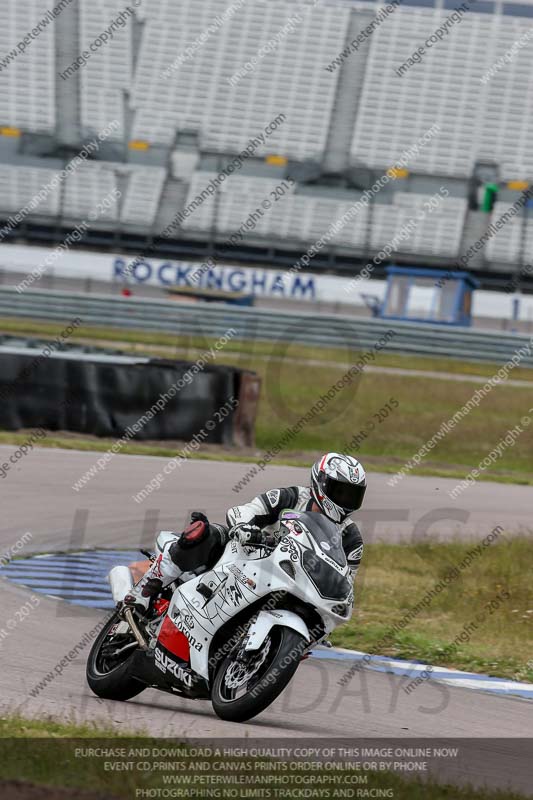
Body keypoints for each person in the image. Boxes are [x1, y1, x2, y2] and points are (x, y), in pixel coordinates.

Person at [124, 452, 366, 614]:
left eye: (352, 495)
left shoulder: (351, 539)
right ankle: (145, 590)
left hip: (289, 583)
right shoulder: (290, 497)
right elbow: (246, 510)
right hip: (245, 555)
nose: (345, 501)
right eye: (340, 491)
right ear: (321, 483)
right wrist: (244, 527)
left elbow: (345, 586)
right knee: (205, 533)